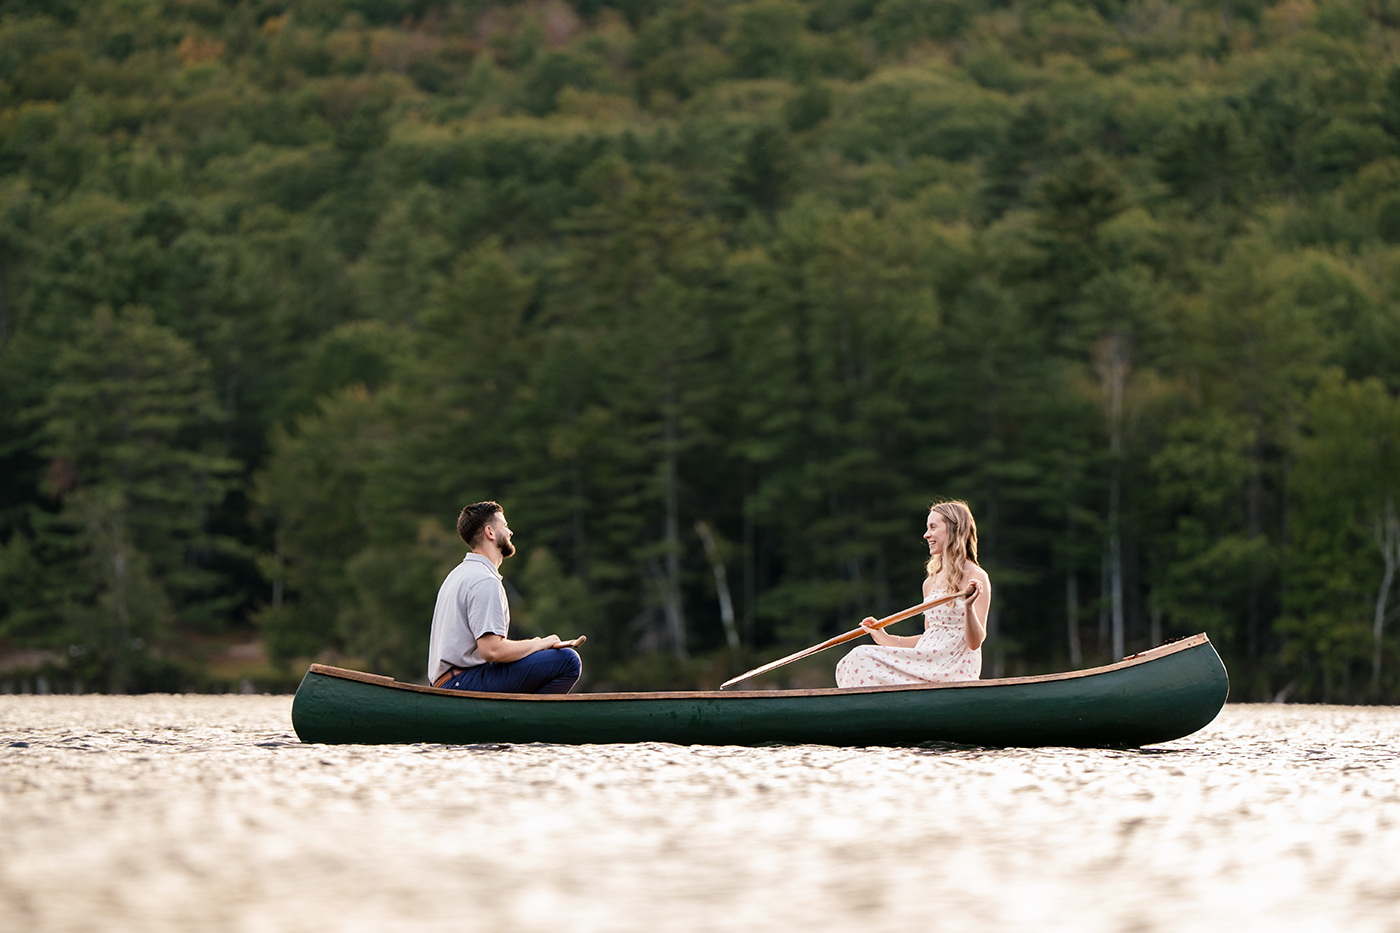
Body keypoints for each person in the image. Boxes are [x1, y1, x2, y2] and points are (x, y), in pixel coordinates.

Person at [427, 501, 582, 693]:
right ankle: (526, 714)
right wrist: (539, 644)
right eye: (505, 526)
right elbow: (492, 650)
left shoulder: (458, 575)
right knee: (568, 661)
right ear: (490, 532)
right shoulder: (484, 579)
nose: (510, 532)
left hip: (448, 682)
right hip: (462, 683)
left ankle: (519, 710)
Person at [835, 500, 991, 688]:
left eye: (933, 527)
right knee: (856, 658)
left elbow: (975, 643)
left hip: (953, 667)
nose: (926, 535)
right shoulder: (930, 582)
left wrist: (969, 607)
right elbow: (930, 637)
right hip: (927, 660)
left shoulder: (976, 576)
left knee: (861, 656)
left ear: (953, 529)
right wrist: (886, 638)